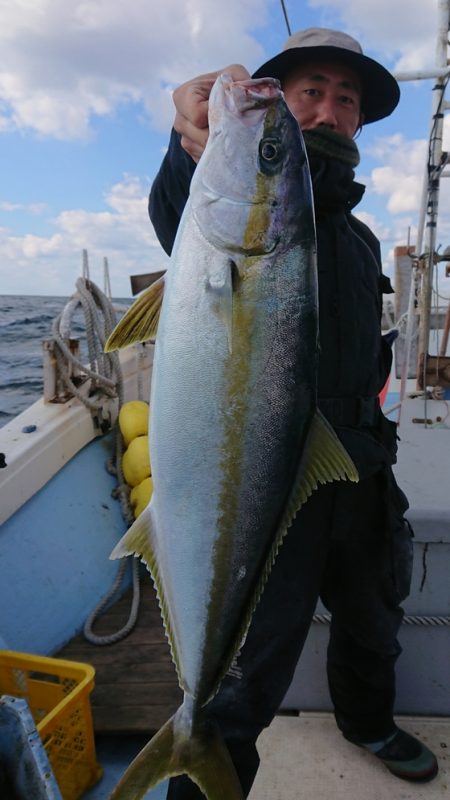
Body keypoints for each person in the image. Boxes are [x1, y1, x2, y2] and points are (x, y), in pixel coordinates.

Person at [149, 28, 439, 798]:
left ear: (359, 122)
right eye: (312, 88)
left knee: (373, 620)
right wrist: (195, 138)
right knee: (246, 666)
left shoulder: (361, 238)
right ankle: (202, 756)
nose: (328, 108)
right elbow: (188, 204)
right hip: (269, 476)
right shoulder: (240, 200)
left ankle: (369, 722)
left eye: (346, 99)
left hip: (359, 469)